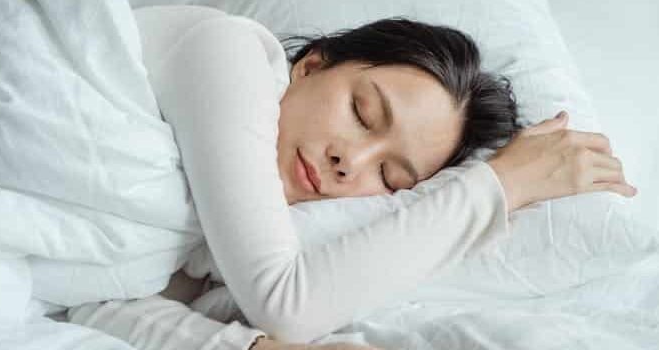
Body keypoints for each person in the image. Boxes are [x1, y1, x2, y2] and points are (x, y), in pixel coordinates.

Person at [69, 5, 637, 350]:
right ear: (313, 64)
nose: (351, 163)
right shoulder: (226, 51)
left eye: (390, 176)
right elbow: (286, 303)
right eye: (363, 114)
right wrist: (500, 187)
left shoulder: (199, 241)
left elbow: (84, 302)